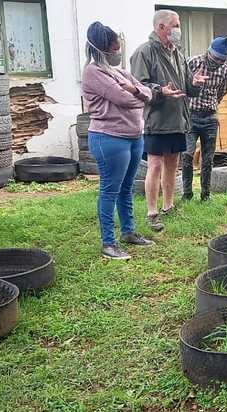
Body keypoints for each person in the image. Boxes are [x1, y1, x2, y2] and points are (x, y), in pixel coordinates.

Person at [81, 22, 154, 260]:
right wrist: (137, 95)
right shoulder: (93, 72)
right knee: (109, 190)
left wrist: (136, 91)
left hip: (133, 137)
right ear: (102, 49)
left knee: (126, 187)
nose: (118, 51)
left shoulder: (119, 72)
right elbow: (123, 98)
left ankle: (128, 232)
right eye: (114, 48)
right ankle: (108, 243)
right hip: (109, 139)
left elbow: (147, 92)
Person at [131, 9, 208, 232]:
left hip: (177, 118)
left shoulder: (178, 53)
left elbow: (186, 86)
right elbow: (138, 86)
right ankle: (152, 212)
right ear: (161, 27)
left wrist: (195, 83)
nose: (178, 30)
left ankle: (168, 206)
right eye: (175, 25)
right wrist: (160, 91)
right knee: (155, 165)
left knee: (172, 164)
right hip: (156, 120)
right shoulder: (144, 52)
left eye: (178, 25)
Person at [182, 37, 227, 202]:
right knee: (187, 155)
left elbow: (222, 92)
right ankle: (187, 194)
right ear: (209, 52)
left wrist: (211, 104)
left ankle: (206, 195)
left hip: (210, 117)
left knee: (208, 159)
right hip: (191, 116)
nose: (218, 63)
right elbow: (182, 85)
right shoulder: (193, 62)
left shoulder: (225, 71)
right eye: (216, 59)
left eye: (222, 60)